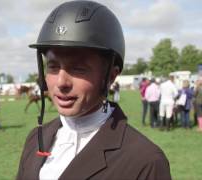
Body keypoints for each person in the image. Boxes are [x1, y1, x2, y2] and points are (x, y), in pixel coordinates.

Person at [16, 1, 171, 180]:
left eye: (78, 69)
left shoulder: (146, 161)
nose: (61, 82)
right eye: (53, 66)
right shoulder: (35, 138)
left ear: (111, 76)